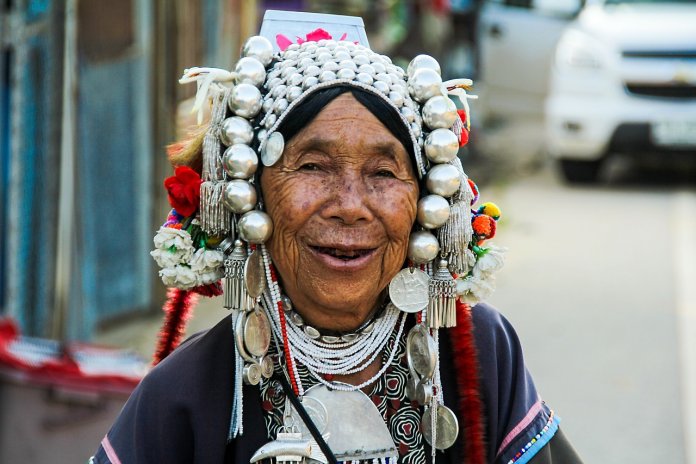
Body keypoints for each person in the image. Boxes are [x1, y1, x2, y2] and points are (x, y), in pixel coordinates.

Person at [91, 11, 583, 464]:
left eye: (384, 173)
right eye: (312, 166)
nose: (350, 204)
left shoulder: (479, 350)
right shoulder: (189, 393)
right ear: (252, 193)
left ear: (425, 202)